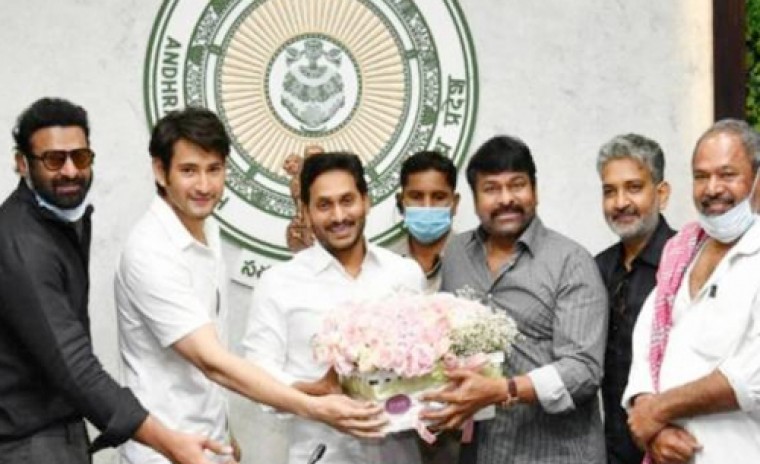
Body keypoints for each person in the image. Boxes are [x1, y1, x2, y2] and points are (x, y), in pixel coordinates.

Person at [114, 109, 384, 463]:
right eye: (189, 170)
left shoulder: (207, 229)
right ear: (160, 172)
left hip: (209, 443)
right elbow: (211, 361)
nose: (204, 186)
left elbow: (205, 365)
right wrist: (315, 408)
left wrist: (226, 431)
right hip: (163, 451)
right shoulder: (150, 250)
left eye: (214, 169)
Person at [0, 97, 231, 464]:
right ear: (22, 163)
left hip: (61, 425)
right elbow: (74, 365)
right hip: (27, 439)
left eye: (81, 157)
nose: (71, 171)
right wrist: (168, 442)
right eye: (54, 160)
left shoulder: (61, 220)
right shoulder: (21, 241)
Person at [421, 135, 608, 463]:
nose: (506, 199)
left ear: (535, 191)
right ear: (474, 200)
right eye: (491, 189)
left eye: (517, 185)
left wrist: (506, 389)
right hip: (481, 452)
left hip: (554, 455)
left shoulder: (571, 262)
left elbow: (583, 371)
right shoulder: (456, 255)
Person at [243, 152, 426, 464]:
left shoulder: (405, 274)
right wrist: (313, 391)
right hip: (321, 455)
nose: (339, 216)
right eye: (324, 205)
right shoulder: (278, 283)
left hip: (399, 454)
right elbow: (257, 374)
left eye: (347, 200)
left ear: (366, 201)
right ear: (306, 212)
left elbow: (427, 362)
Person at [623, 119, 760, 464]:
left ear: (757, 179)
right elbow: (647, 341)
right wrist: (653, 426)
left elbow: (751, 377)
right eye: (701, 176)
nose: (712, 188)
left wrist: (657, 411)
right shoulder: (682, 251)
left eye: (727, 174)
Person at [594, 134, 675, 464]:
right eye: (609, 191)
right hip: (609, 449)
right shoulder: (597, 268)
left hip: (673, 446)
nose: (620, 202)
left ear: (661, 194)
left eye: (634, 188)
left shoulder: (685, 263)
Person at [392, 151, 460, 293]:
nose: (427, 206)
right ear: (401, 201)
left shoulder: (476, 261)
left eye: (439, 197)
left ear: (455, 203)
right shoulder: (384, 261)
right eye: (416, 196)